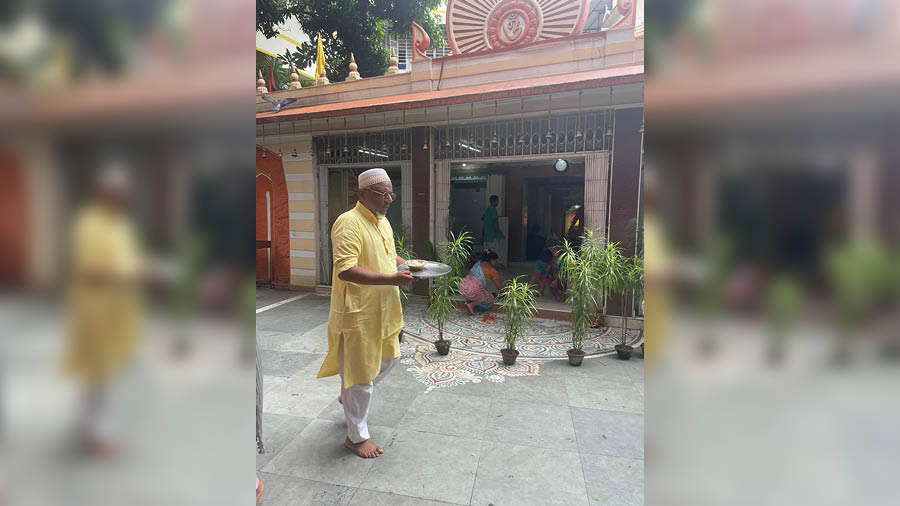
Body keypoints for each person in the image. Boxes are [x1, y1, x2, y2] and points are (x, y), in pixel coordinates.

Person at [316, 168, 413, 459]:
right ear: (361, 194)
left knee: (390, 357)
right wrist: (392, 279)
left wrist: (406, 263)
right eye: (382, 194)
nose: (388, 199)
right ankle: (356, 438)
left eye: (391, 193)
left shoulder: (383, 223)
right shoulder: (348, 223)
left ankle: (348, 396)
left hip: (383, 309)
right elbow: (346, 269)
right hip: (357, 312)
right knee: (359, 375)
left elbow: (387, 255)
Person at [60, 167, 144, 458]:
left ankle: (90, 425)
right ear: (103, 193)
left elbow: (127, 260)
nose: (122, 198)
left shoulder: (119, 224)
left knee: (106, 373)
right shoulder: (89, 224)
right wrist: (130, 275)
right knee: (99, 373)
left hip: (117, 311)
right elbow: (90, 270)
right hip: (95, 311)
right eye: (117, 193)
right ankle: (97, 432)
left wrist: (138, 271)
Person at [459, 249, 502, 314]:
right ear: (491, 260)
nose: (496, 262)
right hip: (473, 291)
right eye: (495, 260)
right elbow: (499, 287)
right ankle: (472, 304)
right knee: (490, 299)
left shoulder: (477, 264)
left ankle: (469, 300)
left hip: (463, 287)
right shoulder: (493, 271)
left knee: (478, 289)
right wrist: (506, 292)